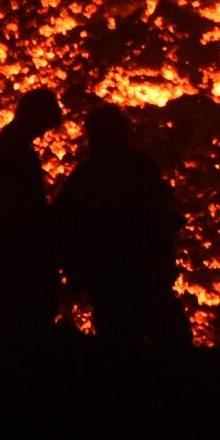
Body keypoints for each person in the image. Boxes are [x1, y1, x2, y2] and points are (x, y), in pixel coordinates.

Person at [56, 104, 190, 349]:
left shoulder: (87, 175)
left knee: (119, 343)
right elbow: (159, 211)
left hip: (111, 277)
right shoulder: (139, 167)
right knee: (171, 340)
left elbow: (65, 222)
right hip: (142, 274)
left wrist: (76, 272)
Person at [0, 87, 64, 345]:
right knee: (23, 318)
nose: (44, 132)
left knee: (9, 317)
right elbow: (23, 206)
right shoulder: (13, 153)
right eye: (44, 124)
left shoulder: (1, 149)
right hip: (18, 250)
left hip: (4, 248)